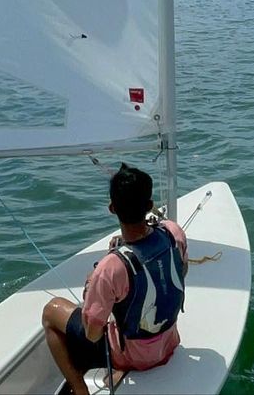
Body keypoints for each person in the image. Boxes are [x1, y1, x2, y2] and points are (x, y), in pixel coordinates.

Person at [42, 164, 188, 395]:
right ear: (149, 206)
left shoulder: (110, 268)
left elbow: (92, 335)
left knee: (51, 311)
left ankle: (79, 389)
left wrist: (91, 286)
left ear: (112, 208)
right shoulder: (173, 232)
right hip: (168, 342)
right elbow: (181, 272)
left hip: (132, 357)